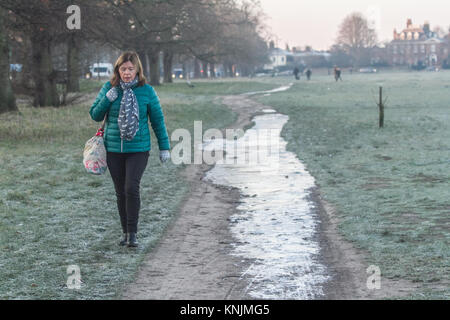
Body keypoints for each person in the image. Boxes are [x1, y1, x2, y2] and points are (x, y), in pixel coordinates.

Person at [89, 51, 171, 248]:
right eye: (123, 69)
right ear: (118, 69)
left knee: (131, 188)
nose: (126, 73)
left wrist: (164, 147)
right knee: (120, 192)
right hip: (114, 149)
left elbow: (157, 121)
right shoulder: (109, 88)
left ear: (137, 70)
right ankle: (125, 232)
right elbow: (95, 115)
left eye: (130, 69)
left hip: (138, 149)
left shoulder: (147, 91)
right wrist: (107, 99)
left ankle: (133, 234)